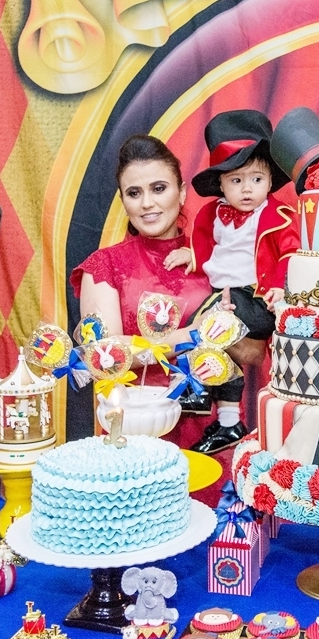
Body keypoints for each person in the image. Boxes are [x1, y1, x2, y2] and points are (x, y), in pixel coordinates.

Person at [71, 136, 264, 390]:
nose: (147, 203)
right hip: (132, 413)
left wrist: (222, 330)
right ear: (123, 201)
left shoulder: (217, 259)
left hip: (212, 413)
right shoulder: (104, 266)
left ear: (182, 193)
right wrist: (192, 334)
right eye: (134, 193)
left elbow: (254, 353)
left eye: (159, 188)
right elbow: (104, 356)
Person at [163, 109, 299, 453]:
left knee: (205, 321)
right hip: (226, 295)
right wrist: (191, 256)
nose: (247, 188)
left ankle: (194, 384)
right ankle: (229, 422)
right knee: (221, 347)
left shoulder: (277, 216)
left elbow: (290, 254)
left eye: (256, 179)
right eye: (236, 181)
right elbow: (206, 245)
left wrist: (280, 288)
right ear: (221, 185)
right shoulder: (212, 214)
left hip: (257, 299)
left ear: (270, 181)